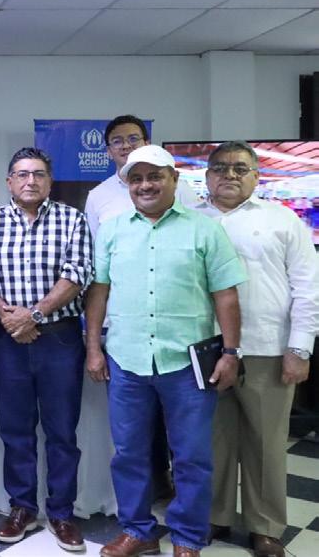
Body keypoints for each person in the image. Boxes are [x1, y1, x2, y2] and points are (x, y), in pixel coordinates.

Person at [85, 145, 247, 557]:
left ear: (174, 179)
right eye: (137, 179)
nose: (145, 185)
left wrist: (231, 353)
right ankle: (137, 530)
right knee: (129, 454)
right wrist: (93, 348)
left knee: (191, 456)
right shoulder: (113, 230)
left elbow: (226, 295)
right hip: (126, 361)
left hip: (187, 366)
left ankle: (188, 537)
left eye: (155, 176)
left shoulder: (205, 230)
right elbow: (98, 292)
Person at [194, 141, 319, 557]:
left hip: (268, 347)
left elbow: (308, 287)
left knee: (265, 443)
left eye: (240, 168)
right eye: (220, 167)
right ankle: (214, 516)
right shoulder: (190, 219)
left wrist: (300, 348)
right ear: (207, 175)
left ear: (256, 175)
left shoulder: (282, 219)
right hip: (207, 349)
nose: (229, 175)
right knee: (212, 440)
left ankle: (264, 527)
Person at [0, 147, 93, 552]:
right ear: (9, 181)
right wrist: (9, 317)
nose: (31, 181)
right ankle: (22, 509)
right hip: (8, 338)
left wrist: (35, 315)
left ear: (49, 181)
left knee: (62, 431)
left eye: (39, 174)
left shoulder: (72, 219)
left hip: (59, 338)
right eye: (23, 174)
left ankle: (61, 513)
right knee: (15, 430)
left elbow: (77, 274)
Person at [84, 114, 194, 501]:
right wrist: (95, 340)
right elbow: (97, 271)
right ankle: (148, 490)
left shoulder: (180, 188)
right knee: (134, 423)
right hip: (125, 326)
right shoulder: (98, 197)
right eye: (117, 141)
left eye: (134, 138)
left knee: (184, 426)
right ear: (108, 150)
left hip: (179, 327)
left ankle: (183, 499)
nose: (126, 145)